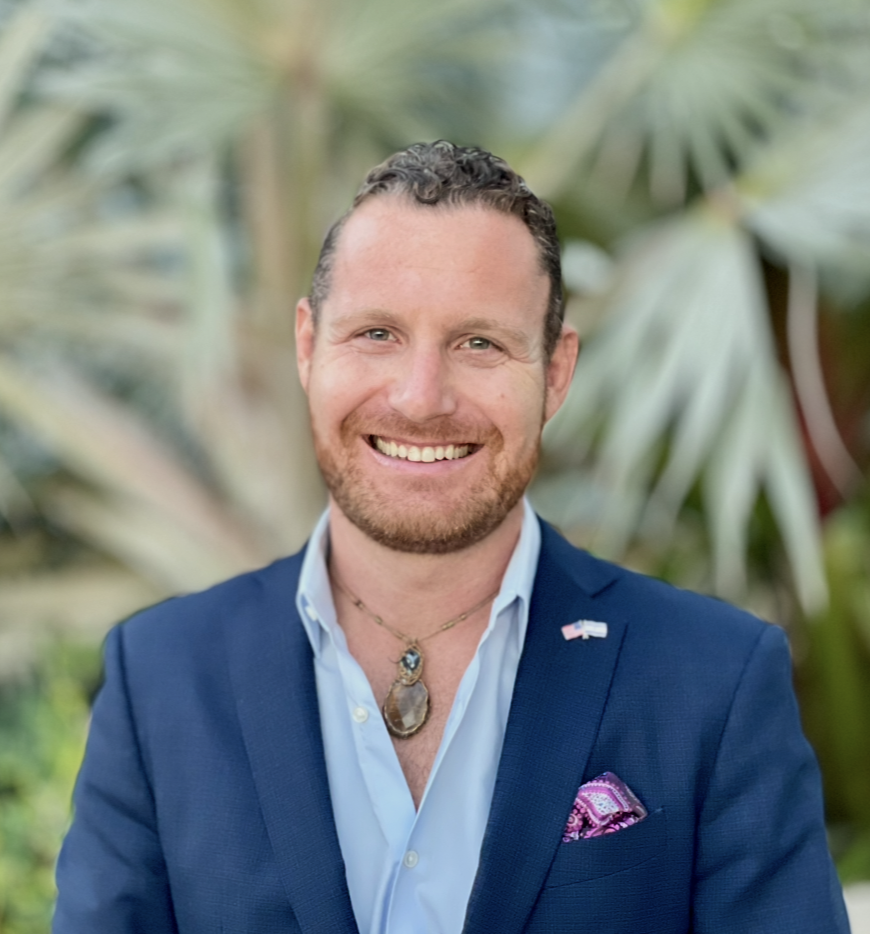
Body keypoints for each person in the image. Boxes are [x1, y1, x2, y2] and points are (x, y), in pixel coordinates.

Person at [53, 141, 850, 934]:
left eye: (480, 343)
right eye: (377, 334)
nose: (421, 398)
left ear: (556, 372)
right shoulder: (158, 680)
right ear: (307, 346)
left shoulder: (713, 680)